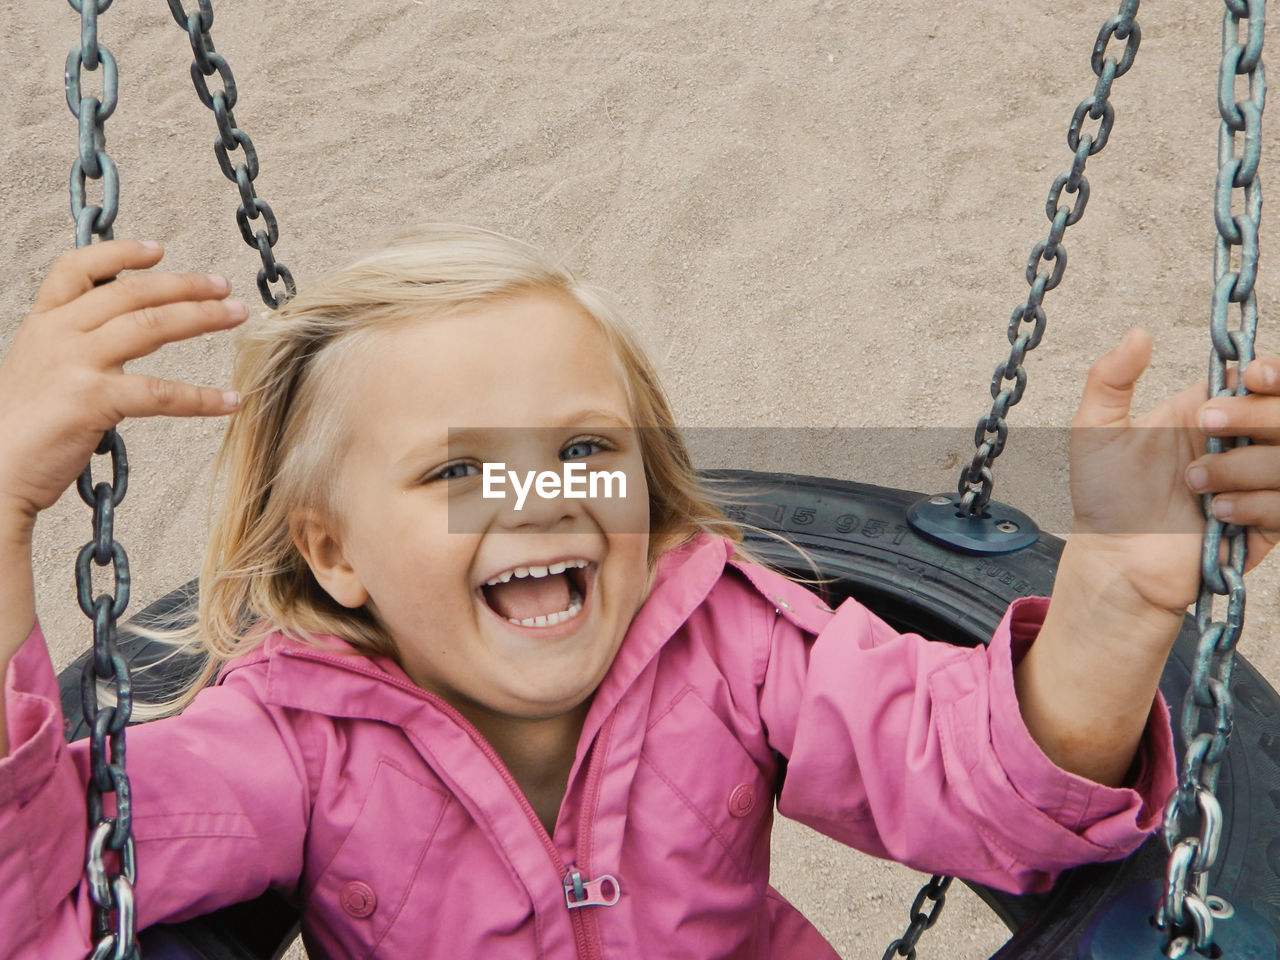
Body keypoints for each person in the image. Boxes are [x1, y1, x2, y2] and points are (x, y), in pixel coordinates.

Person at [0, 226, 1275, 959]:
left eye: (583, 451)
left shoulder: (730, 643)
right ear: (334, 554)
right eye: (459, 468)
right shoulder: (288, 738)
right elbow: (49, 892)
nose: (536, 497)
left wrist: (1113, 600)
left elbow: (983, 784)